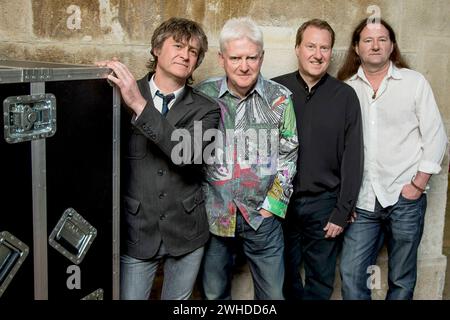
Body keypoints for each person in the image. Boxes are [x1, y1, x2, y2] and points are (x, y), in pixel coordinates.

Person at [98, 17, 220, 300]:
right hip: (136, 229)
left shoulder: (206, 109)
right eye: (178, 45)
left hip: (187, 232)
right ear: (156, 49)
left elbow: (188, 155)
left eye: (193, 51)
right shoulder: (117, 95)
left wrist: (139, 105)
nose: (185, 55)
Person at [337, 18, 447, 300]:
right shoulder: (345, 89)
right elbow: (338, 148)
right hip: (362, 201)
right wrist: (345, 197)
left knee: (401, 277)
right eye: (368, 40)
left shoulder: (414, 83)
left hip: (405, 197)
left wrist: (418, 185)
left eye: (382, 39)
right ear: (357, 48)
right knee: (351, 273)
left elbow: (436, 136)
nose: (375, 45)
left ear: (392, 46)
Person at [196, 17, 298, 300]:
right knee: (214, 294)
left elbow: (289, 155)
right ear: (221, 59)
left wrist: (272, 207)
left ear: (261, 57)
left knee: (273, 296)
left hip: (262, 219)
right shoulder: (203, 95)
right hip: (214, 216)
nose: (244, 66)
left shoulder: (280, 99)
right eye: (236, 57)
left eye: (252, 57)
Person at [272, 19, 363, 300]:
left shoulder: (345, 96)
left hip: (324, 204)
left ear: (331, 53)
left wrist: (342, 209)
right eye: (311, 46)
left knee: (321, 282)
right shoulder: (274, 90)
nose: (318, 54)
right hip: (280, 202)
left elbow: (354, 156)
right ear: (298, 48)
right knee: (282, 279)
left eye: (325, 48)